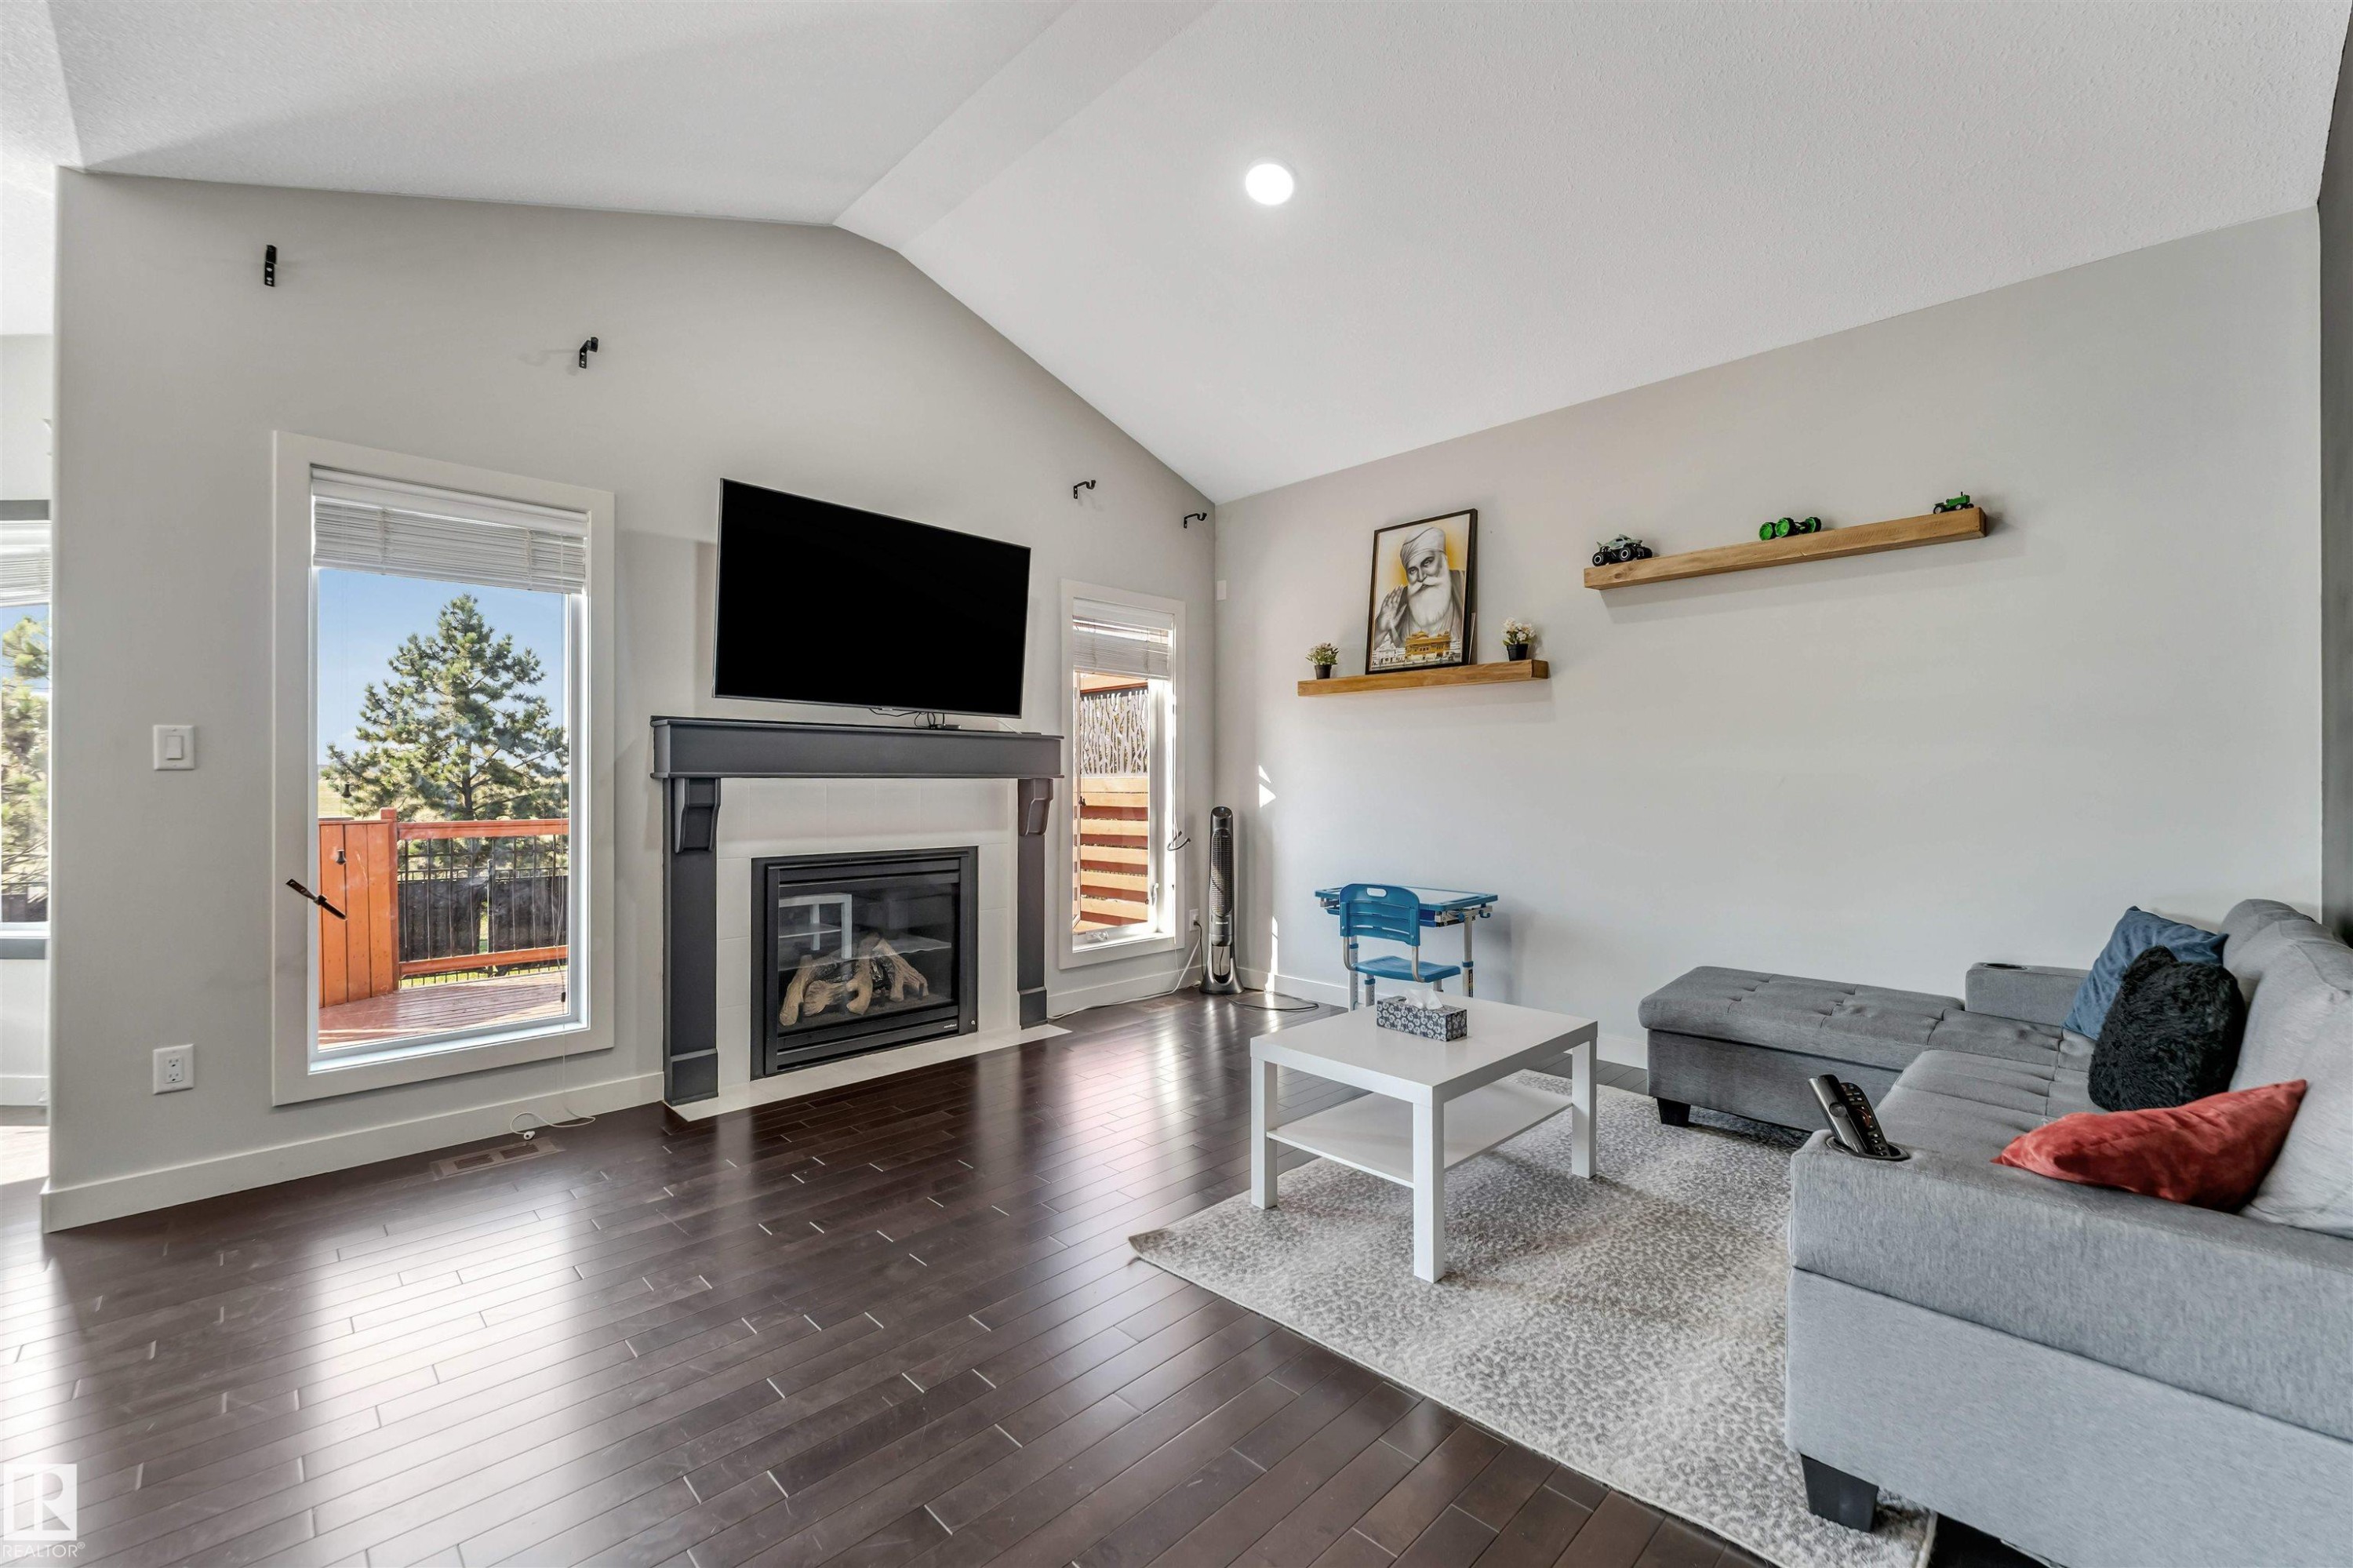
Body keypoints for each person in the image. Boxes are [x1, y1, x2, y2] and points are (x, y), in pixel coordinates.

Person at [1372, 525, 1463, 664]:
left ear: (1444, 560)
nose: (1421, 577)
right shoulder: (1398, 603)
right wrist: (1380, 629)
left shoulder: (1463, 583)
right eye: (1413, 570)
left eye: (1427, 562)